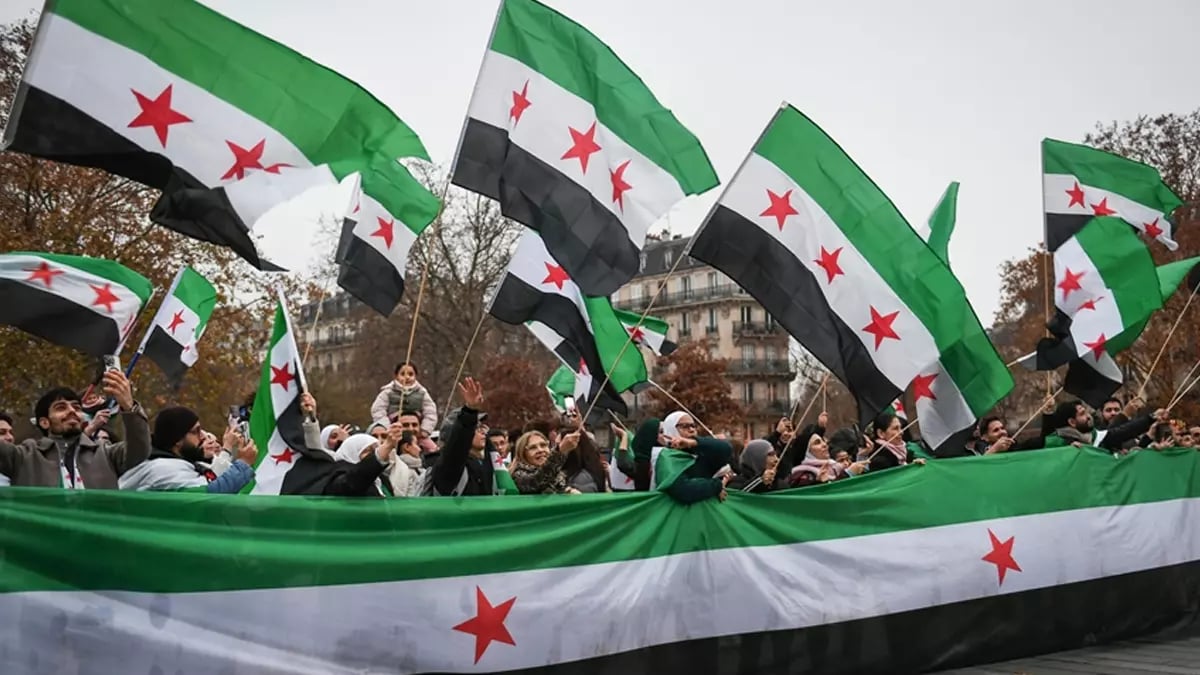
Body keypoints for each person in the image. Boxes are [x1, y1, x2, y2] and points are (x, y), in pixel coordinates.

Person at [0, 372, 150, 488]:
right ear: (44, 422)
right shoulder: (23, 456)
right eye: (61, 408)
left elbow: (140, 450)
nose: (72, 411)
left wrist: (129, 407)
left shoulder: (106, 453)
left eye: (77, 408)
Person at [119, 407, 257, 492]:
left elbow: (214, 479)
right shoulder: (163, 469)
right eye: (196, 431)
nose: (203, 436)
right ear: (177, 440)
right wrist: (243, 463)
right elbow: (210, 493)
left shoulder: (180, 464)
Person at [283, 394, 395, 497]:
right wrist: (310, 417)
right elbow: (315, 449)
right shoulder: (339, 477)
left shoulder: (382, 480)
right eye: (368, 451)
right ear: (352, 452)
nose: (373, 454)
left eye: (376, 450)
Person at [427, 378, 501, 497]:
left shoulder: (488, 461)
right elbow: (458, 447)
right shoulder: (448, 467)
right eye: (476, 428)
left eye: (482, 427)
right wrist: (469, 411)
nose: (483, 432)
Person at [1044, 399, 1158, 451]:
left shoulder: (1097, 436)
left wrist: (1152, 418)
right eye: (1082, 414)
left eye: (1117, 410)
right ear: (1072, 422)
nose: (1088, 416)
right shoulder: (1058, 444)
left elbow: (1122, 432)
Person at [370, 361, 438, 435]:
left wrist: (425, 429)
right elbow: (378, 410)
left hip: (416, 431)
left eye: (411, 374)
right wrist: (387, 427)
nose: (407, 377)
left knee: (429, 443)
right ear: (396, 376)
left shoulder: (422, 392)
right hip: (393, 431)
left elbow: (430, 412)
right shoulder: (388, 392)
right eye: (403, 374)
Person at [790, 432, 867, 487]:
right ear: (807, 452)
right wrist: (848, 474)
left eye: (823, 441)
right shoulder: (802, 476)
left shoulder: (834, 467)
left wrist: (862, 457)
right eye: (817, 443)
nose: (824, 445)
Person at [510, 430, 576, 494]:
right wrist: (559, 451)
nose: (540, 450)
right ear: (523, 453)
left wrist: (569, 492)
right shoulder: (518, 475)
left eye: (543, 445)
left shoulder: (557, 473)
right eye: (533, 447)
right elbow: (537, 481)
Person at [387, 431, 425, 497]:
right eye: (416, 444)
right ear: (407, 447)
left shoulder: (417, 469)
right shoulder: (404, 471)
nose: (419, 449)